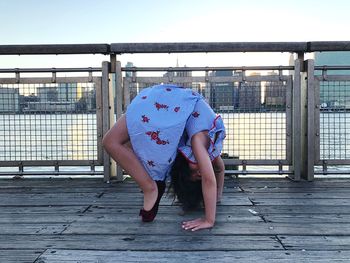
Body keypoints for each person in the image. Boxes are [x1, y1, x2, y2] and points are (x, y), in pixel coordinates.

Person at [102, 84, 226, 231]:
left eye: (194, 174)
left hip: (162, 102)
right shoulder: (202, 141)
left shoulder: (200, 141)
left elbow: (216, 172)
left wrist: (216, 198)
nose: (201, 172)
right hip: (164, 100)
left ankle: (151, 184)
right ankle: (150, 186)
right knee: (112, 141)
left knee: (111, 141)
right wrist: (209, 219)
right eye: (200, 174)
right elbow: (214, 173)